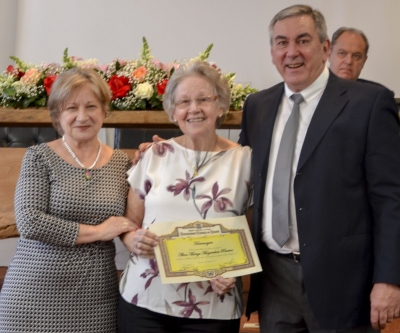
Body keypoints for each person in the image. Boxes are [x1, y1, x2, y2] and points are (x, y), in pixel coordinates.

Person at [240, 4, 400, 333]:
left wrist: (389, 280)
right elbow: (236, 169)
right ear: (272, 51)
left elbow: (391, 199)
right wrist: (166, 152)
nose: (292, 52)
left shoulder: (369, 104)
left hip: (344, 284)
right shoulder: (257, 106)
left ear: (325, 47)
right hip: (274, 279)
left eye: (303, 40)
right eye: (282, 43)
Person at [118, 60, 253, 333]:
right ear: (173, 111)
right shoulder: (153, 155)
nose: (194, 109)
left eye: (203, 99)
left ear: (221, 105)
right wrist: (131, 238)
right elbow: (130, 222)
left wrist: (236, 270)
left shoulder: (246, 160)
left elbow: (254, 231)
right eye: (184, 102)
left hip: (214, 303)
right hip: (145, 298)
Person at [0, 68, 137, 332]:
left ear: (104, 110)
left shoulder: (122, 162)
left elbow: (131, 220)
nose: (82, 116)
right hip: (33, 293)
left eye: (91, 106)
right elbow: (30, 221)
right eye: (71, 108)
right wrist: (99, 231)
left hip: (96, 296)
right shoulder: (39, 156)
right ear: (57, 116)